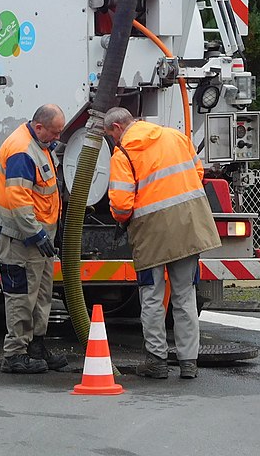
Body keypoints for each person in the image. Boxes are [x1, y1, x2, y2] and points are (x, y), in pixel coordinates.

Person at [104, 106, 221, 380]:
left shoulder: (123, 153)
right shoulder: (175, 136)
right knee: (185, 296)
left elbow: (121, 204)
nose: (113, 141)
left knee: (152, 298)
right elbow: (198, 172)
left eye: (111, 135)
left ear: (118, 128)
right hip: (189, 227)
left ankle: (156, 361)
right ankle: (189, 363)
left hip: (151, 233)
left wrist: (122, 219)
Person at [0, 104, 70, 374]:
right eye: (54, 133)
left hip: (38, 237)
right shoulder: (23, 150)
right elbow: (18, 198)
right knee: (21, 295)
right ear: (39, 126)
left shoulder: (39, 145)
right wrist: (35, 232)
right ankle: (14, 354)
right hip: (21, 237)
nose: (57, 138)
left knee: (42, 294)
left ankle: (36, 346)